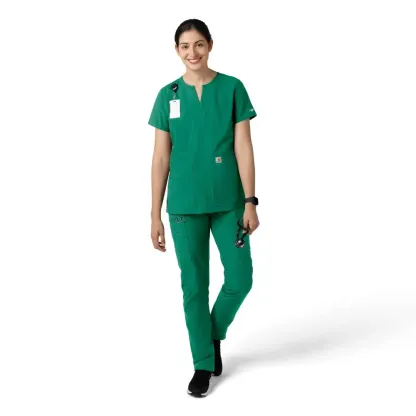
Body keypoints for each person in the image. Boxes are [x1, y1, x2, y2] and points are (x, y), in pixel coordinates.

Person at [148, 18, 260, 397]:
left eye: (198, 44)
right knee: (194, 287)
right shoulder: (167, 95)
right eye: (185, 46)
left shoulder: (232, 88)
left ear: (210, 44)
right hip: (184, 205)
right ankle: (202, 363)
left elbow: (243, 147)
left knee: (240, 278)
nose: (192, 52)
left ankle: (212, 335)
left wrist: (250, 200)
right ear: (176, 50)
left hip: (229, 203)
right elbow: (160, 158)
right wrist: (154, 213)